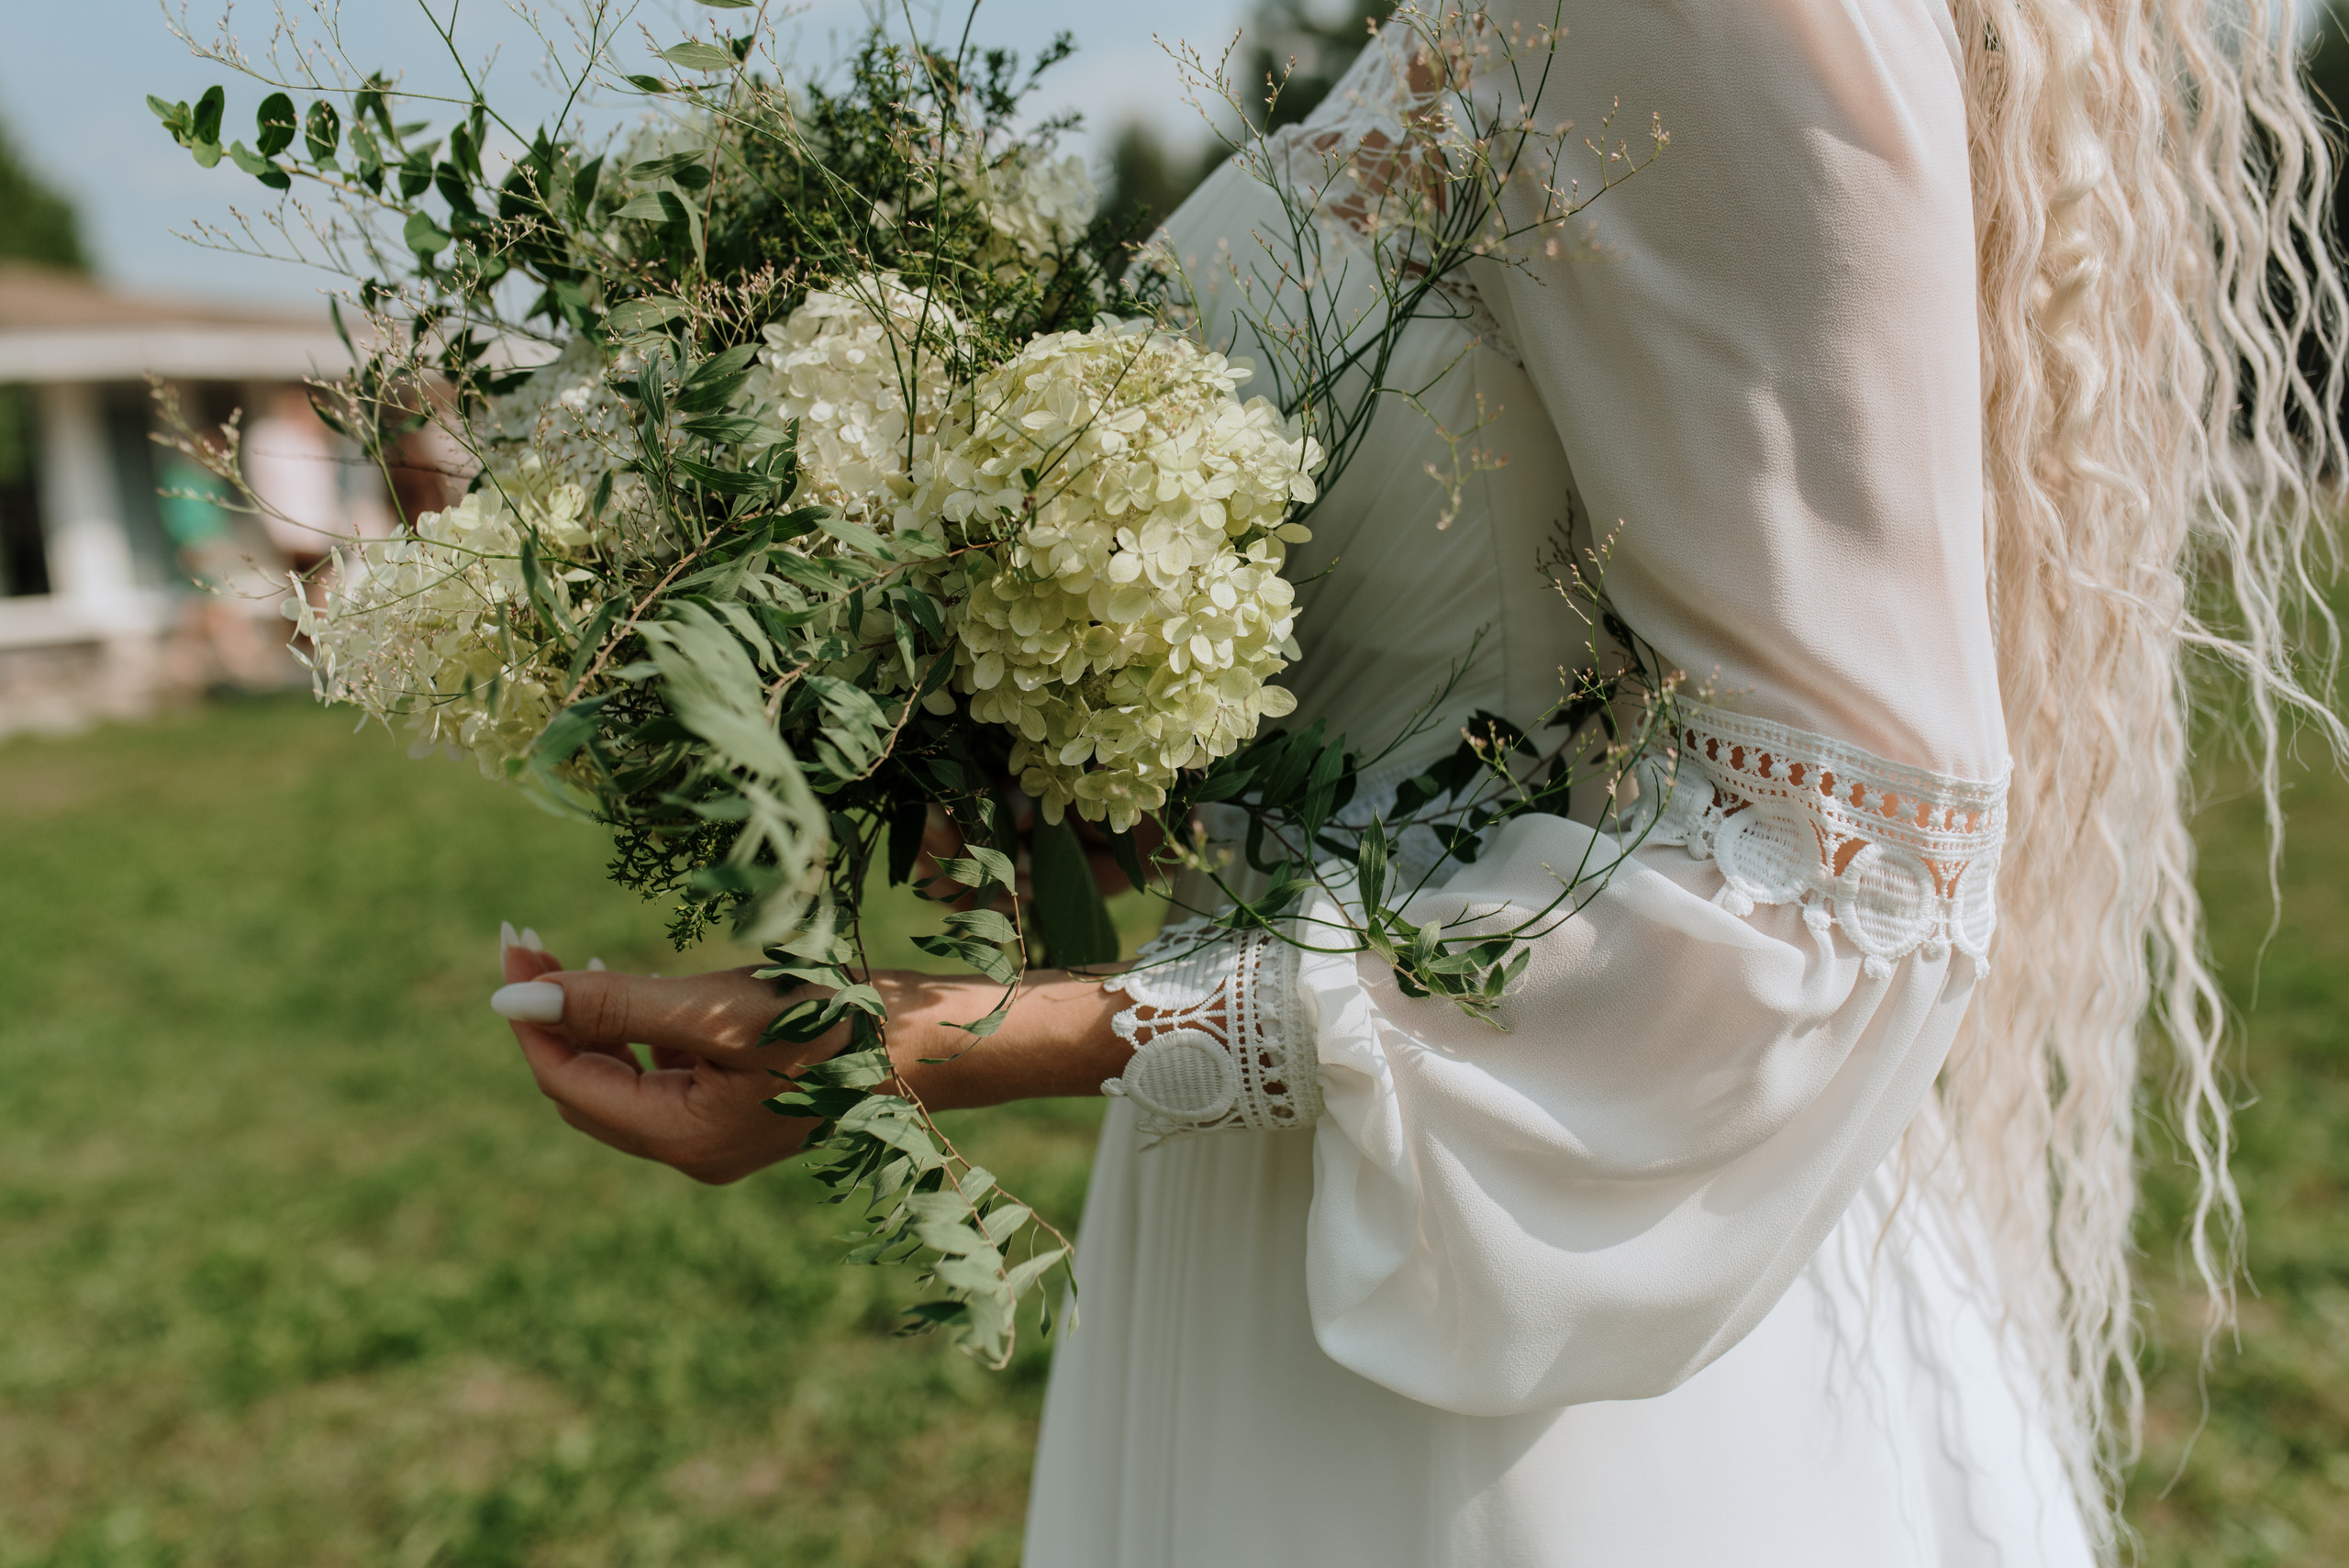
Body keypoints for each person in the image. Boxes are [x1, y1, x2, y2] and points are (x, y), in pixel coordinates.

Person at [488, 3, 2343, 1562]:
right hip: (1276, 1208)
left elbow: (1840, 875)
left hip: (1525, 1292)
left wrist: (979, 1035)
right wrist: (1060, 732)